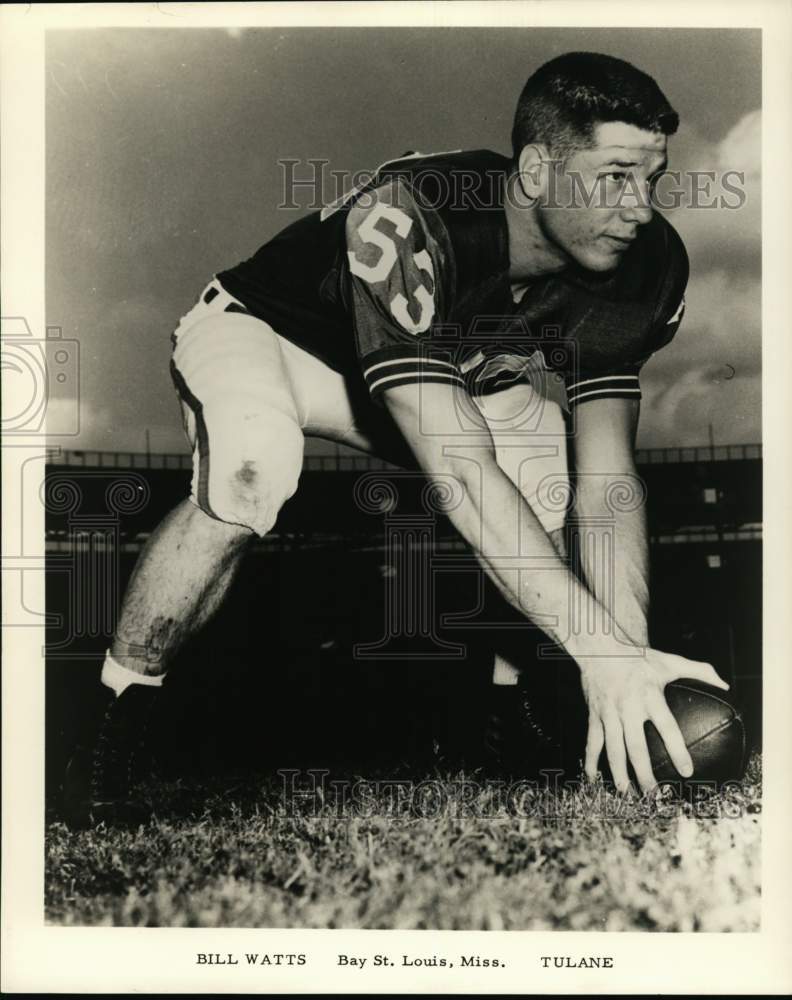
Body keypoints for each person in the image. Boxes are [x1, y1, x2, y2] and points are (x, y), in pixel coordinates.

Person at [64, 51, 729, 826]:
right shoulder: (418, 214)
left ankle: (519, 721)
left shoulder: (646, 267)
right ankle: (114, 713)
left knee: (552, 460)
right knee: (253, 468)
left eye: (652, 178)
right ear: (539, 169)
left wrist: (628, 660)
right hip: (275, 337)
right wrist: (603, 652)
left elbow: (607, 485)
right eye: (616, 175)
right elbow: (459, 468)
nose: (640, 207)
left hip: (449, 372)